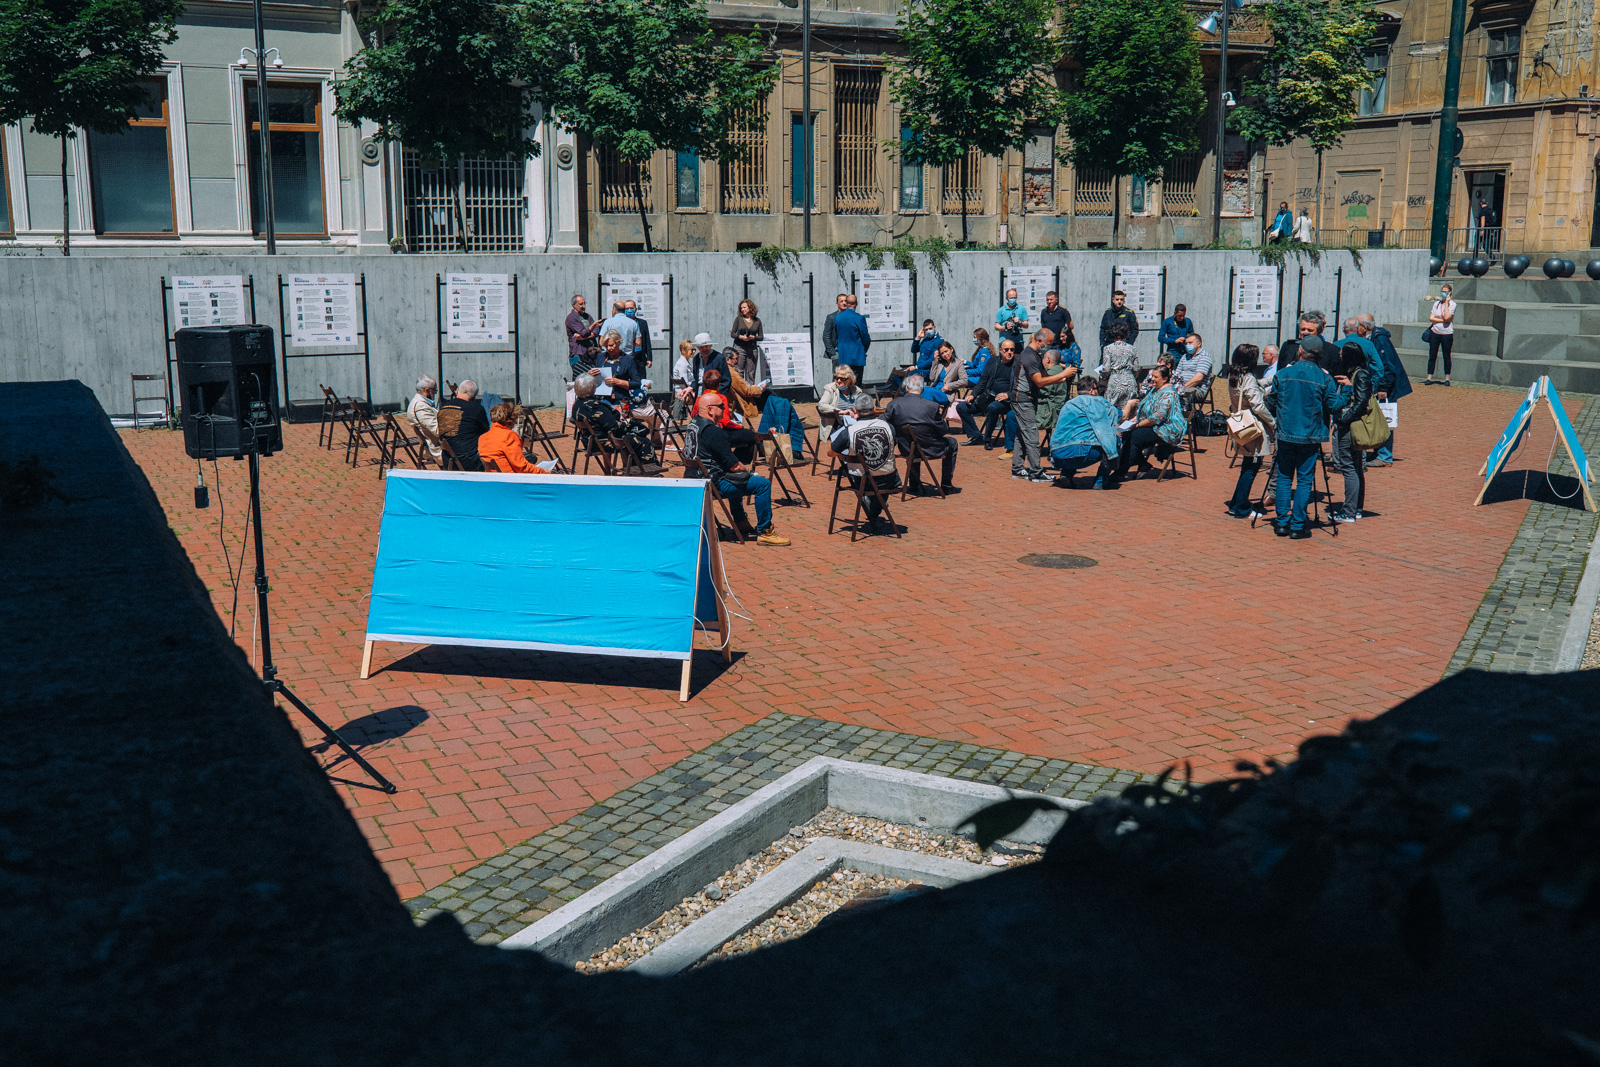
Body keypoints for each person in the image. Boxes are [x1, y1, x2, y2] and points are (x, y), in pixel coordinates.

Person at [688, 393, 789, 546]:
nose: (724, 409)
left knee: (737, 476)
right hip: (712, 485)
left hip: (695, 479)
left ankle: (740, 521)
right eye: (721, 406)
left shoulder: (693, 425)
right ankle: (765, 532)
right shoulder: (713, 431)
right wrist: (747, 471)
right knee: (762, 484)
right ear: (710, 410)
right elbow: (734, 465)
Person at [1266, 333, 1340, 539]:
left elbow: (1271, 402)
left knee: (1284, 477)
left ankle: (1282, 523)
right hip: (1310, 435)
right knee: (1305, 479)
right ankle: (1297, 525)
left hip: (1287, 433)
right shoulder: (1324, 377)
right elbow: (1333, 406)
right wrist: (1347, 394)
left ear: (1300, 351)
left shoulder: (1282, 374)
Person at [830, 393, 902, 533]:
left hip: (861, 481)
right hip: (888, 479)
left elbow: (832, 452)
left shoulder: (848, 431)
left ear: (855, 410)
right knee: (884, 474)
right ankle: (874, 513)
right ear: (874, 409)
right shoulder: (889, 427)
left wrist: (845, 457)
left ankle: (872, 511)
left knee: (867, 476)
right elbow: (894, 445)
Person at [1010, 329, 1074, 483]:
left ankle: (1018, 468)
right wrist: (1062, 374)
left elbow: (1044, 376)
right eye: (1049, 343)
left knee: (1021, 434)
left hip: (1025, 399)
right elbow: (1039, 381)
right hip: (1023, 399)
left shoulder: (1035, 355)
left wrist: (1058, 380)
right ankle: (1036, 472)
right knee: (1032, 435)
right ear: (1039, 341)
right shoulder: (1029, 356)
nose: (1049, 347)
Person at [1225, 344, 1277, 518]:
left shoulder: (1234, 376)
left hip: (1241, 427)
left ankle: (1236, 503)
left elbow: (1253, 386)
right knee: (1251, 468)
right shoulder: (1248, 377)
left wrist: (1274, 378)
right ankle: (1241, 508)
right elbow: (1258, 405)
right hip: (1253, 429)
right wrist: (1273, 422)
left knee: (1247, 467)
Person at [885, 374, 958, 494]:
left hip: (906, 448)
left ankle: (914, 484)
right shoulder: (932, 406)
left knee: (914, 442)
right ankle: (946, 485)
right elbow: (944, 430)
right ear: (922, 389)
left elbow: (884, 423)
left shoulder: (894, 404)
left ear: (907, 388)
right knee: (952, 443)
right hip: (930, 448)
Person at [1328, 342, 1373, 524]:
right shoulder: (1355, 374)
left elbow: (1361, 403)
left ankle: (1349, 511)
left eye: (1342, 354)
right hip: (1351, 425)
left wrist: (1343, 420)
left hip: (1351, 427)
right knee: (1354, 467)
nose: (1339, 356)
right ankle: (1356, 508)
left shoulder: (1360, 375)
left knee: (1349, 467)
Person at [1115, 363, 1187, 479]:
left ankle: (1122, 470)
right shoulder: (1154, 390)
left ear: (1165, 379)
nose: (1152, 379)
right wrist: (1134, 420)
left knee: (1134, 437)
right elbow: (1144, 409)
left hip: (1166, 429)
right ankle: (1141, 464)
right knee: (1127, 433)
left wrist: (1137, 425)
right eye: (1152, 376)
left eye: (1155, 377)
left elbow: (1157, 418)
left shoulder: (1169, 393)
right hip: (1154, 425)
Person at [1049, 375, 1121, 489]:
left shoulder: (1068, 404)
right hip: (1080, 453)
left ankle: (1065, 475)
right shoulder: (1098, 402)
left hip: (1057, 454)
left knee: (1073, 441)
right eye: (1097, 389)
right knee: (1114, 441)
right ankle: (1100, 481)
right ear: (1092, 390)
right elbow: (1121, 415)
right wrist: (1131, 405)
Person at [572, 371, 658, 466]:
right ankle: (647, 468)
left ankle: (632, 468)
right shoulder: (596, 407)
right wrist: (627, 422)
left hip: (589, 441)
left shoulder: (577, 405)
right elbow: (614, 427)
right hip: (603, 443)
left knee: (633, 435)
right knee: (643, 440)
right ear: (592, 388)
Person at [1360, 312, 1411, 466]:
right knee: (1379, 419)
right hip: (1384, 386)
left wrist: (1383, 388)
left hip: (1387, 388)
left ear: (1364, 327)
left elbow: (1388, 366)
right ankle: (1379, 452)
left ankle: (1384, 456)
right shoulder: (1375, 338)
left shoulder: (1380, 340)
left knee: (1385, 420)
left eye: (1358, 326)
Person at [957, 340, 1016, 446]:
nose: (1009, 352)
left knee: (993, 407)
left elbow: (1019, 387)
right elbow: (982, 381)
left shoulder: (1017, 365)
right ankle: (976, 436)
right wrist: (973, 395)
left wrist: (1008, 395)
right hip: (987, 397)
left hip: (1005, 401)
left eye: (1012, 350)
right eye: (1006, 350)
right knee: (962, 407)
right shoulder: (993, 362)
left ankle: (987, 439)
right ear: (1000, 350)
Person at [478, 402, 553, 475]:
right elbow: (521, 467)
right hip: (510, 479)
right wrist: (542, 471)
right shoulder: (509, 436)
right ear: (510, 421)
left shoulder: (482, 438)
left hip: (492, 477)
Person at [436, 379, 489, 471]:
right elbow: (486, 432)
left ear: (457, 391)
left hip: (448, 459)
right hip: (471, 461)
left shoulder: (443, 409)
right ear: (474, 396)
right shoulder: (476, 409)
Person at [1036, 348, 1078, 445]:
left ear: (1048, 359)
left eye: (1043, 358)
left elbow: (1044, 390)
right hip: (1058, 408)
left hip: (1048, 410)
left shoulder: (1051, 373)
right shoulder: (1061, 370)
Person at [1097, 319, 1141, 410]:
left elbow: (1106, 368)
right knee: (1130, 410)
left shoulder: (1108, 349)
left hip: (1115, 381)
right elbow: (1136, 368)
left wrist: (1103, 376)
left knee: (1112, 410)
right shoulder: (1132, 348)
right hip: (1130, 381)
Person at [892, 319, 943, 389]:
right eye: (926, 329)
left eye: (930, 328)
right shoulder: (925, 339)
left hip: (928, 371)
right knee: (895, 375)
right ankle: (903, 393)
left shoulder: (938, 341)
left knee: (908, 376)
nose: (928, 331)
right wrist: (918, 338)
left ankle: (907, 394)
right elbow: (914, 350)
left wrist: (916, 367)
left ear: (934, 327)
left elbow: (932, 360)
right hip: (918, 368)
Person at [817, 365, 861, 442]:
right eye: (837, 378)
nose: (839, 381)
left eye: (842, 379)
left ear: (850, 380)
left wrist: (858, 413)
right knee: (849, 438)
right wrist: (841, 412)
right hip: (835, 424)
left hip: (854, 424)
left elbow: (863, 406)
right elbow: (821, 405)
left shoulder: (856, 390)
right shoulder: (830, 388)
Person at [1425, 283, 1456, 386]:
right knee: (1432, 355)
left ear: (1449, 293)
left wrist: (1446, 304)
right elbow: (1431, 318)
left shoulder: (1452, 304)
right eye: (1442, 291)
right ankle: (1429, 377)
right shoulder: (1436, 304)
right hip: (1435, 333)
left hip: (1447, 334)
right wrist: (1442, 320)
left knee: (1446, 355)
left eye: (1446, 292)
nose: (1443, 293)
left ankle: (1447, 378)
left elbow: (1448, 317)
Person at [564, 294, 600, 375]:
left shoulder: (587, 316)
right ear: (574, 305)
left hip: (591, 354)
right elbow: (583, 332)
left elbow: (596, 330)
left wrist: (585, 337)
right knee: (581, 379)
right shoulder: (571, 318)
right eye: (581, 304)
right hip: (579, 354)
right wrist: (593, 326)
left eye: (584, 303)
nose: (583, 306)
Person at [1174, 333, 1213, 406]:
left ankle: (1184, 414)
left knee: (1184, 393)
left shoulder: (1204, 357)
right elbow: (1177, 374)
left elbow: (1198, 378)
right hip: (1182, 387)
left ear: (1199, 344)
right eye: (1186, 343)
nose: (1187, 345)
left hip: (1197, 389)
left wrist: (1181, 388)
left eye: (1190, 343)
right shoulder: (1184, 357)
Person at [407, 375, 441, 459]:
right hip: (438, 449)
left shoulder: (421, 403)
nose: (435, 393)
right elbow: (437, 430)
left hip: (437, 445)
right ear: (427, 390)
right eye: (435, 391)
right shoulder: (421, 407)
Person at [731, 298, 764, 373]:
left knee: (751, 372)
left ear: (750, 307)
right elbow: (732, 333)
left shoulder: (757, 321)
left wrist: (753, 337)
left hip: (752, 349)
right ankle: (740, 385)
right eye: (741, 308)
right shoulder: (739, 319)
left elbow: (761, 337)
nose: (742, 309)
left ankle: (750, 385)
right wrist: (741, 337)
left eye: (744, 307)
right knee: (739, 371)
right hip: (740, 348)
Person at [625, 298, 652, 372]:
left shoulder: (642, 323)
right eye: (627, 308)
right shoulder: (622, 323)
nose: (629, 310)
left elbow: (647, 341)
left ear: (635, 309)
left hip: (640, 356)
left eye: (631, 308)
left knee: (641, 379)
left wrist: (649, 358)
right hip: (626, 356)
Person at [822, 293, 847, 366]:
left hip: (850, 352)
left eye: (845, 301)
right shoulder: (831, 317)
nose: (844, 303)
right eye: (841, 301)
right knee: (838, 376)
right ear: (837, 304)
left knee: (851, 376)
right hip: (838, 353)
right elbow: (826, 336)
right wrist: (833, 353)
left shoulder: (852, 317)